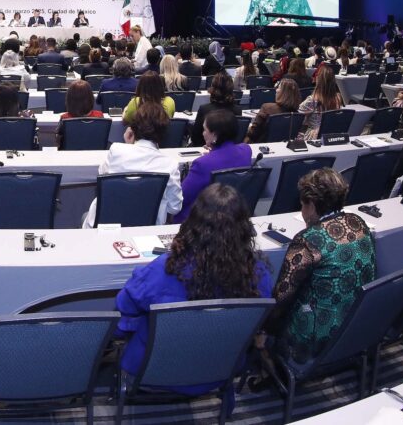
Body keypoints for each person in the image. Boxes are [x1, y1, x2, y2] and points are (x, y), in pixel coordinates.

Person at [116, 183, 273, 392]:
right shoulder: (258, 274)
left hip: (152, 374)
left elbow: (124, 308)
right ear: (244, 227)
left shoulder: (164, 269)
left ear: (193, 222)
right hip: (219, 371)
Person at [264, 168, 376, 363]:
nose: (303, 211)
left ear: (312, 205)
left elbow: (281, 298)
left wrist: (261, 328)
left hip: (316, 335)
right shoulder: (358, 222)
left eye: (302, 205)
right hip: (356, 322)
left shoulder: (307, 240)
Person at [82, 104, 182, 227]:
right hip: (146, 232)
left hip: (106, 227)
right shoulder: (170, 164)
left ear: (133, 128)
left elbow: (103, 178)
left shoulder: (116, 150)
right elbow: (174, 208)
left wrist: (128, 145)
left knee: (85, 216)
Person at [180, 109, 252, 221]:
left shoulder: (202, 164)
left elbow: (182, 198)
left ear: (214, 135)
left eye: (205, 130)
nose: (203, 133)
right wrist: (213, 153)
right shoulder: (246, 150)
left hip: (202, 220)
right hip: (234, 217)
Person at [190, 72, 242, 147]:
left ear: (213, 88)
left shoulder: (204, 109)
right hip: (227, 150)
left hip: (204, 149)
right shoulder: (237, 110)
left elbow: (195, 137)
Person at [244, 79, 302, 144]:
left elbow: (253, 133)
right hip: (285, 148)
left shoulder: (267, 107)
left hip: (261, 146)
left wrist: (245, 128)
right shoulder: (297, 115)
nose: (276, 90)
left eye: (279, 87)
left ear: (283, 93)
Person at [297, 67, 343, 140]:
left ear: (319, 80)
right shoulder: (337, 98)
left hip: (314, 137)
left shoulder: (312, 100)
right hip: (331, 135)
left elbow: (297, 118)